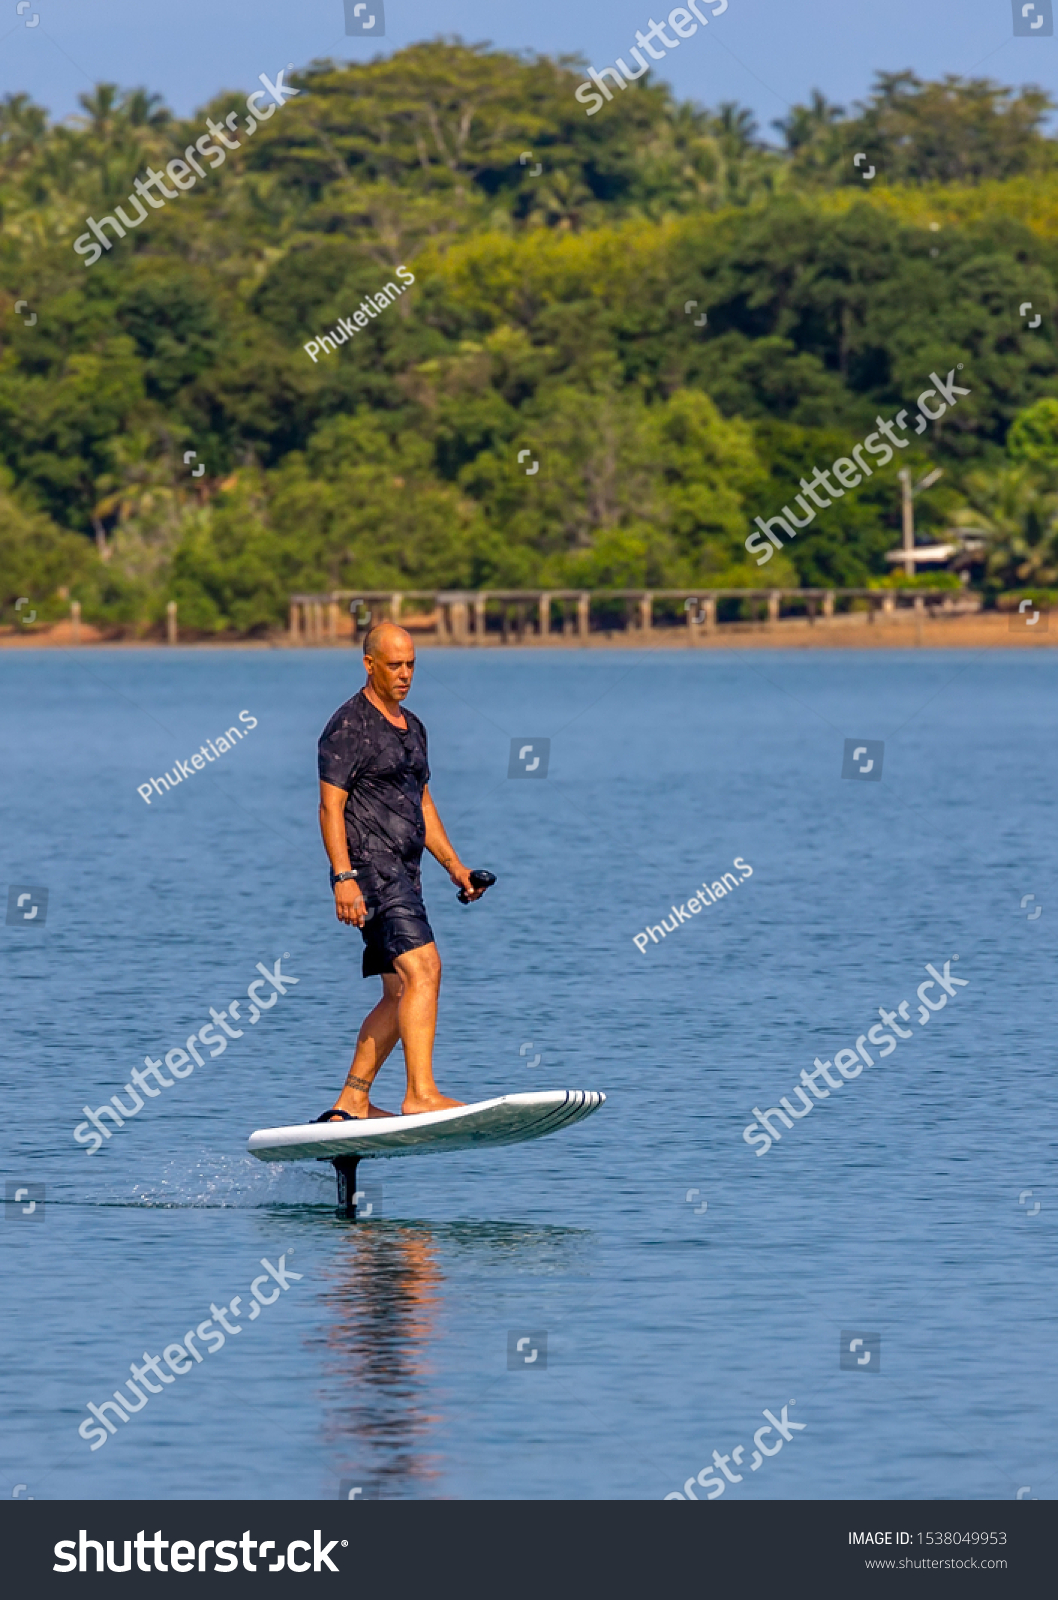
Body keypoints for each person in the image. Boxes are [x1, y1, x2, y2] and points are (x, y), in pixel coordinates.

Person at [316, 620, 485, 1122]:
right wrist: (343, 879)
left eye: (411, 664)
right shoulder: (347, 727)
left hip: (406, 876)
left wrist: (457, 868)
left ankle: (352, 1101)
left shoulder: (413, 728)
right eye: (395, 665)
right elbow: (330, 809)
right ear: (369, 665)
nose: (405, 673)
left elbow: (422, 804)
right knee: (425, 969)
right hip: (371, 873)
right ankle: (421, 1094)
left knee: (397, 991)